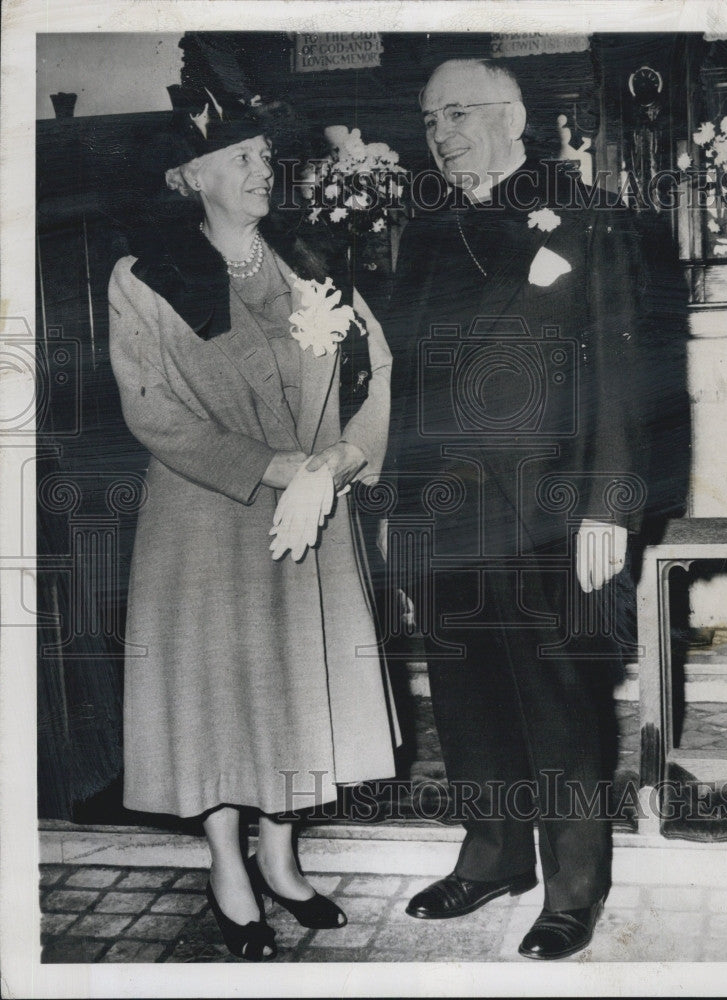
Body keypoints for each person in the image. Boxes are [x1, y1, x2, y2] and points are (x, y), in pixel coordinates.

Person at [108, 100, 398, 961]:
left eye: (264, 153)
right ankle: (227, 868)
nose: (261, 169)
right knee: (217, 695)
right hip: (209, 517)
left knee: (294, 685)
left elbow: (374, 371)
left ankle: (282, 858)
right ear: (188, 177)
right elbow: (155, 414)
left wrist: (337, 463)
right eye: (238, 157)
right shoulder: (145, 274)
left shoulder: (312, 262)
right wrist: (284, 473)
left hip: (313, 517)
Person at [383, 58, 650, 960]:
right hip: (451, 507)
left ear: (516, 116)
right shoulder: (425, 231)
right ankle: (494, 856)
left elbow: (624, 369)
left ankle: (574, 884)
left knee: (563, 696)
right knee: (467, 695)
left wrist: (609, 506)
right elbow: (408, 382)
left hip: (553, 504)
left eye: (460, 112)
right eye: (430, 120)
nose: (443, 133)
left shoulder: (587, 212)